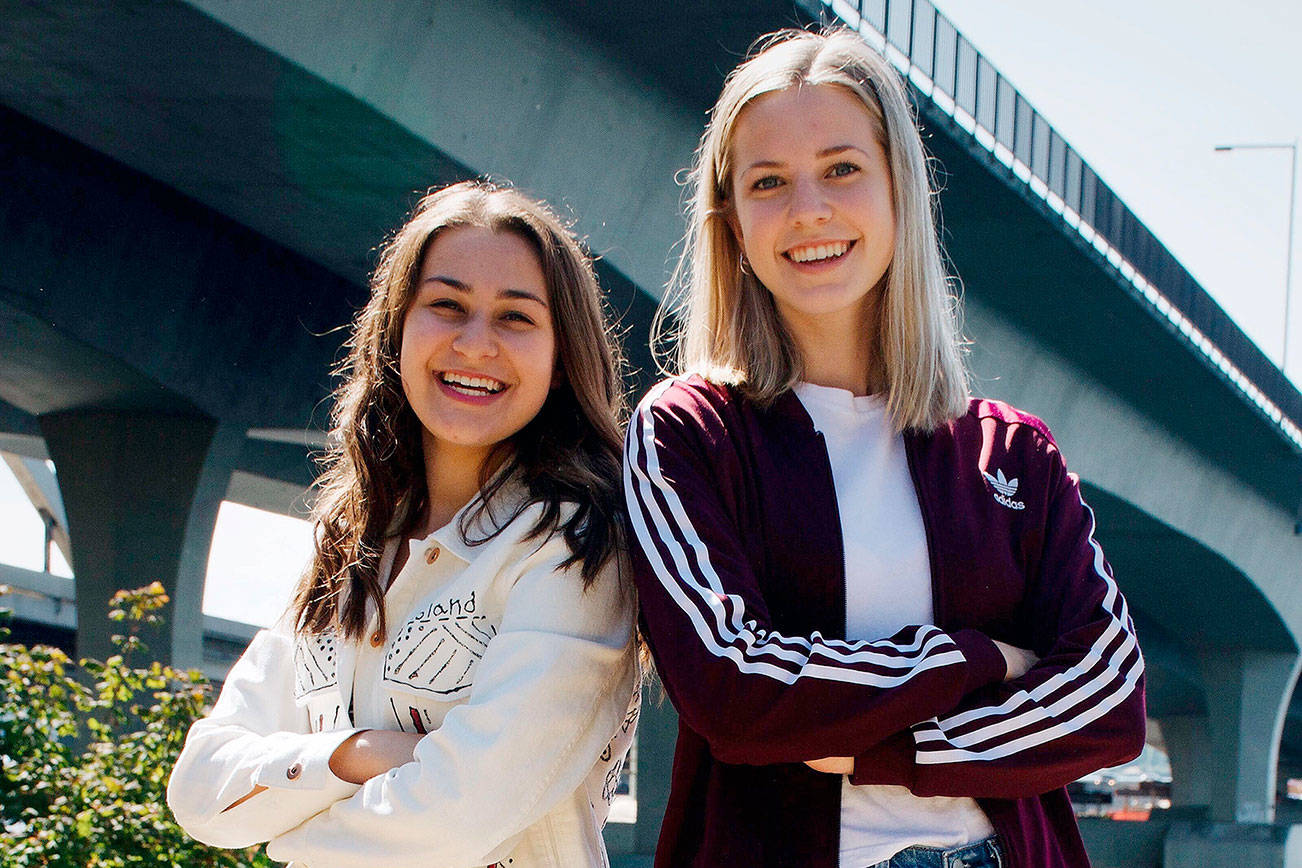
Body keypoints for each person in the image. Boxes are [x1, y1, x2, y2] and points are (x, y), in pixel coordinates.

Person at [623, 28, 1145, 868]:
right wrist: (984, 658)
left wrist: (892, 750)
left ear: (899, 188)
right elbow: (736, 690)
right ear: (732, 223)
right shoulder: (688, 433)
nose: (808, 210)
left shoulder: (1010, 452)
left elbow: (1109, 701)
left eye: (841, 169)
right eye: (768, 182)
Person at [168, 180, 640, 868]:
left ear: (562, 361)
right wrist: (358, 755)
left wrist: (287, 837)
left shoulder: (576, 546)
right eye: (446, 306)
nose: (475, 344)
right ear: (396, 331)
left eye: (515, 318)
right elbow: (200, 786)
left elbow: (460, 816)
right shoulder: (347, 543)